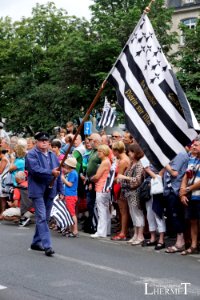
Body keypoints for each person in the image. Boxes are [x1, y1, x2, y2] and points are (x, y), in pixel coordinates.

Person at [25, 132, 64, 256]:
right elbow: (35, 170)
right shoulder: (31, 154)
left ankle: (36, 242)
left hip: (50, 190)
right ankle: (47, 246)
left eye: (46, 140)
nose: (44, 142)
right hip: (37, 190)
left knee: (45, 218)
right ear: (36, 142)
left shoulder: (52, 155)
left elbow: (58, 173)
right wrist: (51, 172)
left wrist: (61, 190)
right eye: (41, 140)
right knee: (41, 217)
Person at [117, 143, 145, 245]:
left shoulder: (139, 164)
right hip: (129, 192)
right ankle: (135, 234)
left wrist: (125, 178)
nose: (129, 153)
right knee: (133, 214)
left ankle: (140, 235)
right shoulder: (132, 163)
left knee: (137, 213)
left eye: (131, 151)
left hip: (135, 192)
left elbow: (138, 180)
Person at [180, 138, 200, 255]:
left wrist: (188, 189)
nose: (193, 147)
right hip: (192, 196)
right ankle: (193, 245)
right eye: (193, 145)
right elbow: (185, 177)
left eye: (196, 145)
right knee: (193, 221)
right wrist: (182, 192)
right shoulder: (192, 159)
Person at [90, 145, 111, 238]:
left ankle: (101, 232)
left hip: (101, 187)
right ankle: (107, 230)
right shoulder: (107, 161)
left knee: (101, 210)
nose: (98, 153)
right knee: (105, 210)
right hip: (105, 188)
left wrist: (91, 178)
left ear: (104, 152)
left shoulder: (105, 162)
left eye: (100, 151)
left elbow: (97, 176)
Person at [111, 141, 130, 240]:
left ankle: (123, 232)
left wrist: (110, 180)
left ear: (116, 150)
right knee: (122, 211)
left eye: (113, 150)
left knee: (123, 211)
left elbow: (119, 177)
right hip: (120, 187)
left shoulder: (123, 161)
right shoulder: (122, 159)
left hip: (121, 187)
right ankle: (123, 230)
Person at [62, 157, 79, 237]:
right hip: (69, 195)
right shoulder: (72, 172)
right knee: (69, 213)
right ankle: (70, 229)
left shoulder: (73, 173)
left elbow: (70, 184)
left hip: (70, 195)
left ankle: (75, 230)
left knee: (72, 213)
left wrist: (63, 179)